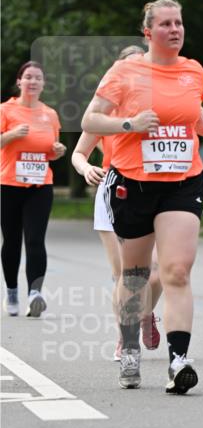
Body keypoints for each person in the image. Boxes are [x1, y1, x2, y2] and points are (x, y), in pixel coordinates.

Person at [81, 0, 203, 392]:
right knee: (134, 274)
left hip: (183, 181)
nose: (175, 30)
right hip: (134, 184)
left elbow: (193, 115)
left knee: (177, 271)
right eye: (165, 24)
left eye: (179, 23)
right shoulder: (124, 71)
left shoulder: (193, 70)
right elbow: (89, 119)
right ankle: (129, 346)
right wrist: (129, 123)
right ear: (148, 32)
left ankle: (178, 360)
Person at [72, 45, 162, 361]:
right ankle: (125, 339)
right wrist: (86, 168)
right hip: (113, 190)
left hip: (154, 190)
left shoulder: (160, 106)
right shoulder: (104, 112)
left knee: (154, 276)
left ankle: (147, 312)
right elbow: (79, 152)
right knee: (125, 275)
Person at [1, 61, 66, 317]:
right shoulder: (5, 110)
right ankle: (12, 292)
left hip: (40, 184)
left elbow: (53, 150)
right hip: (8, 184)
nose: (33, 81)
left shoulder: (50, 114)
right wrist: (11, 135)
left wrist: (57, 152)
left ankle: (35, 294)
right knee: (12, 240)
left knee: (36, 239)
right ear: (19, 82)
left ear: (43, 84)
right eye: (28, 77)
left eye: (38, 78)